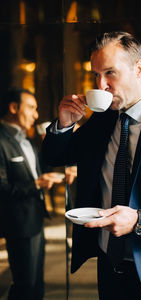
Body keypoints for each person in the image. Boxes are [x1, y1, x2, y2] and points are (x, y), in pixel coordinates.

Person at [42, 31, 141, 300]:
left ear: (139, 68)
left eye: (110, 73)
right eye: (95, 75)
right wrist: (65, 125)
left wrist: (140, 219)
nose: (101, 85)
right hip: (109, 266)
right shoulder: (103, 122)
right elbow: (56, 157)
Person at [0, 88, 62, 300]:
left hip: (36, 219)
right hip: (18, 224)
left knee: (37, 284)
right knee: (24, 286)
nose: (36, 114)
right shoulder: (1, 140)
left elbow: (38, 169)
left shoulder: (27, 139)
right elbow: (2, 187)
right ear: (13, 108)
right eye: (31, 108)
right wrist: (36, 184)